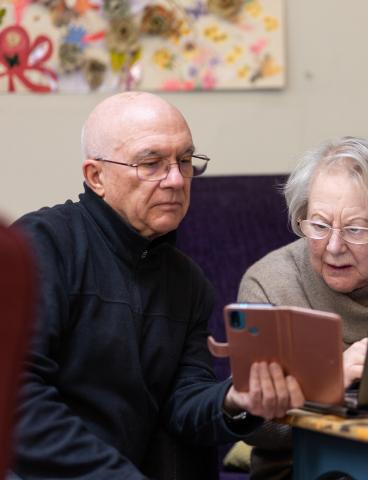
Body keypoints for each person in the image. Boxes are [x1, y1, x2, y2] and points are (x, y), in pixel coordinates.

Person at [11, 91, 304, 479]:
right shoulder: (43, 245)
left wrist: (235, 400)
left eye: (184, 161)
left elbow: (184, 403)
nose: (175, 180)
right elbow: (17, 399)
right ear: (96, 176)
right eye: (151, 163)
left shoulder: (189, 282)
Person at [236, 136, 368, 479]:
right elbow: (255, 427)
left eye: (355, 229)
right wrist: (329, 387)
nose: (334, 247)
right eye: (319, 225)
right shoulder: (269, 284)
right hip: (304, 466)